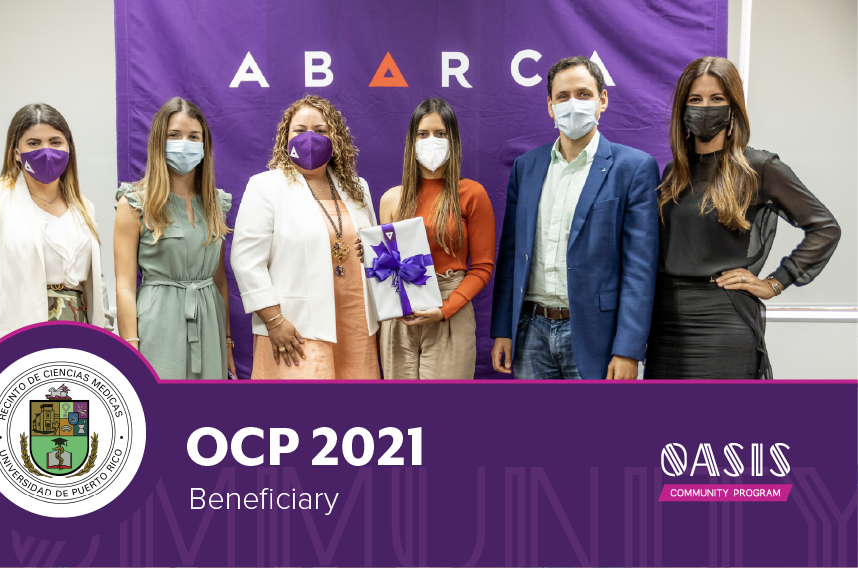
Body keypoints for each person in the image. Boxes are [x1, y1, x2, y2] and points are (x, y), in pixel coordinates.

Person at [645, 57, 840, 379]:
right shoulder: (673, 172)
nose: (705, 108)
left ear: (733, 107)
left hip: (723, 320)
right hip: (664, 322)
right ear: (682, 108)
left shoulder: (760, 167)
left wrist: (775, 283)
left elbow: (824, 228)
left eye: (716, 99)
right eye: (695, 100)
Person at [490, 56, 659, 380]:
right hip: (530, 334)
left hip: (595, 335)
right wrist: (504, 329)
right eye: (563, 97)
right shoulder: (527, 166)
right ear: (550, 106)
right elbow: (511, 254)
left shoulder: (634, 168)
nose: (573, 104)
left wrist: (628, 349)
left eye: (583, 94)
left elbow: (640, 268)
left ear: (602, 100)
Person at [0, 103, 112, 373]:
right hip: (11, 340)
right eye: (34, 143)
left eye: (55, 141)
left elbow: (96, 282)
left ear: (68, 148)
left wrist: (104, 338)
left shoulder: (83, 207)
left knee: (68, 413)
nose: (46, 151)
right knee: (22, 414)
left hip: (79, 336)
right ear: (16, 152)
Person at [231, 95, 379, 379]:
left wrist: (370, 250)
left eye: (320, 131)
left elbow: (371, 247)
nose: (310, 138)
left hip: (357, 326)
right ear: (285, 138)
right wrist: (274, 322)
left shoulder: (358, 188)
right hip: (294, 329)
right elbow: (246, 261)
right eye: (299, 130)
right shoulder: (266, 186)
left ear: (335, 138)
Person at [359, 98, 495, 379]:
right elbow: (388, 266)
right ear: (412, 141)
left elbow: (483, 267)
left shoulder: (471, 194)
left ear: (453, 140)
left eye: (440, 133)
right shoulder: (391, 198)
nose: (431, 140)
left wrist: (446, 308)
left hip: (450, 307)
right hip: (400, 314)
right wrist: (371, 258)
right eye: (423, 134)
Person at [113, 97, 235, 380]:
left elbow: (219, 280)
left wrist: (228, 341)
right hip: (158, 323)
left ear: (204, 145)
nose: (185, 143)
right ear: (159, 141)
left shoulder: (217, 203)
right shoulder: (133, 203)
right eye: (174, 135)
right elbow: (125, 286)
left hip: (209, 323)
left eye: (194, 137)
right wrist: (131, 346)